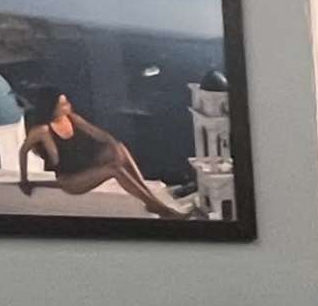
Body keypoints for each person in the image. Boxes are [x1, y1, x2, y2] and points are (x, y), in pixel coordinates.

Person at [19, 87, 192, 219]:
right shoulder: (42, 130)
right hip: (71, 180)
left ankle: (147, 193)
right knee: (114, 170)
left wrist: (114, 145)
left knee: (119, 147)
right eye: (63, 104)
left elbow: (99, 134)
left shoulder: (71, 118)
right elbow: (23, 151)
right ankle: (159, 207)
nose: (68, 106)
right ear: (52, 107)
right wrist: (25, 180)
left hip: (84, 166)